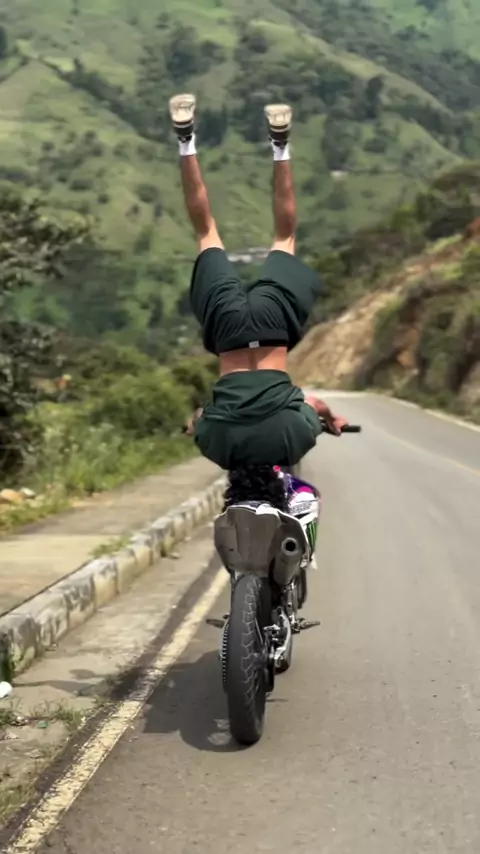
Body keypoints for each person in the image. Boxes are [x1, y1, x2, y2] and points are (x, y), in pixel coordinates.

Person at [169, 93, 348, 472]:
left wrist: (330, 417)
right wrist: (193, 424)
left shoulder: (290, 427)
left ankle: (279, 145)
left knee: (283, 236)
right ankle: (186, 138)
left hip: (271, 327)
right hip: (229, 331)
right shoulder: (217, 428)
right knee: (206, 232)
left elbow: (313, 405)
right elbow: (201, 420)